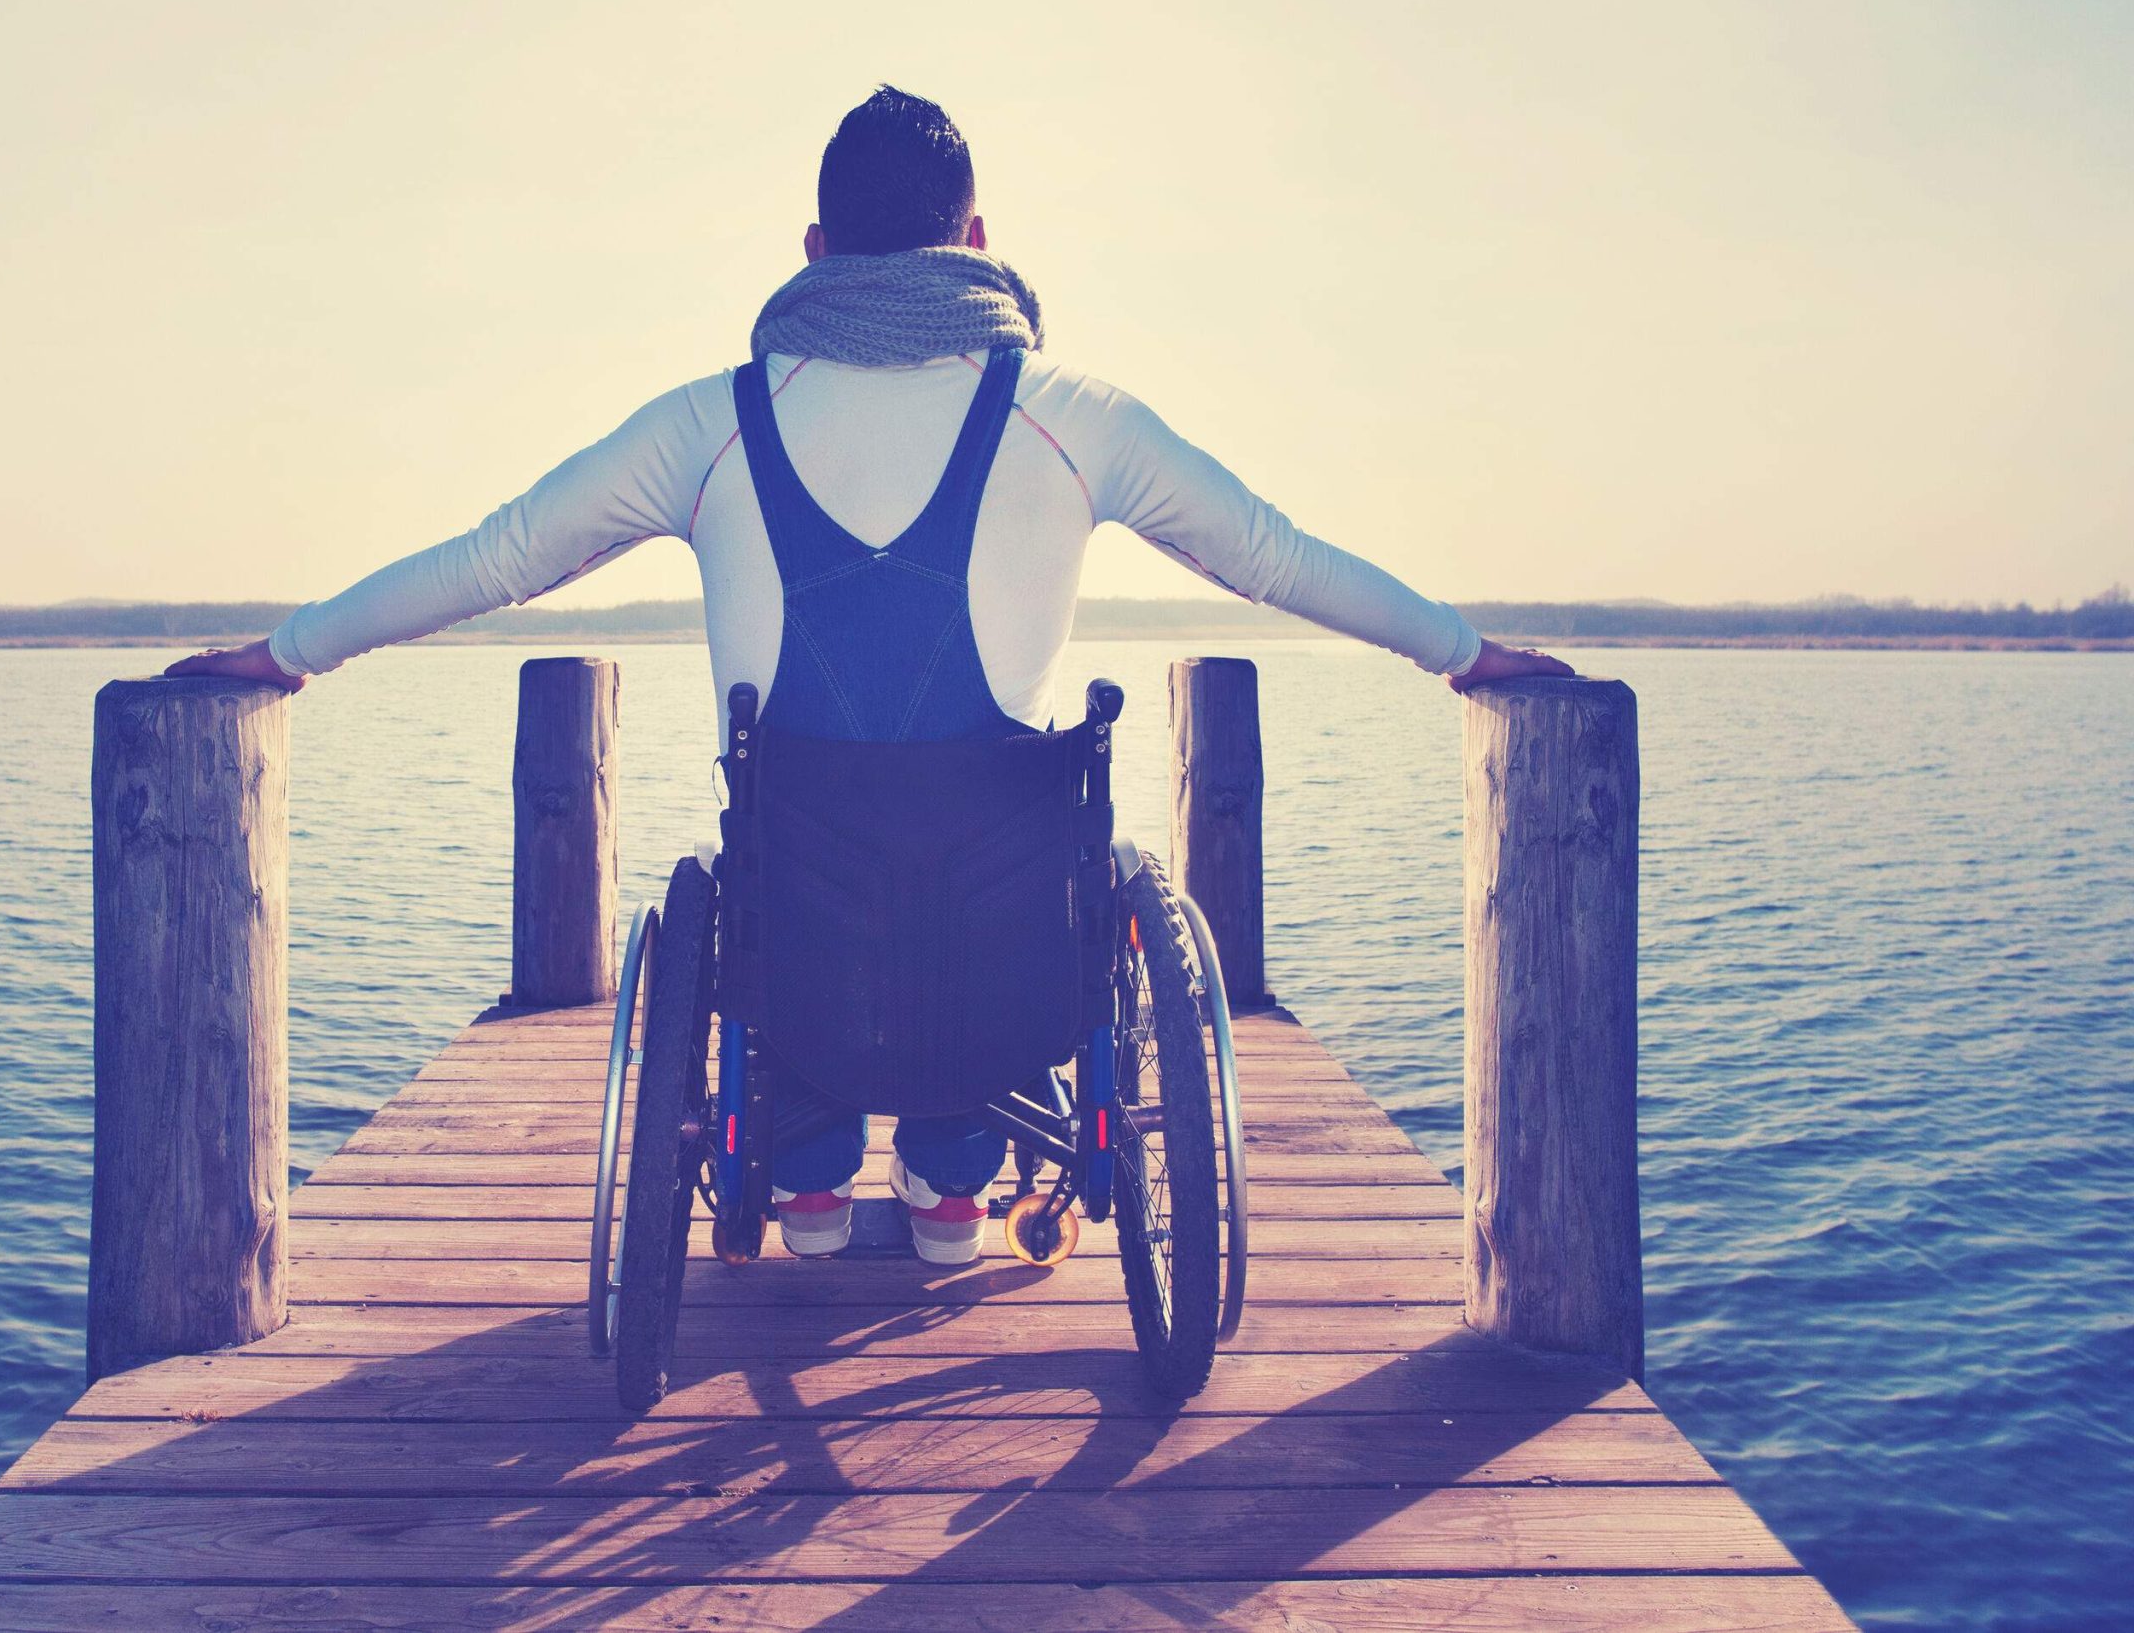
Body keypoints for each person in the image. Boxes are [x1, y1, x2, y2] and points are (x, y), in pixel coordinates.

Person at [171, 85, 1570, 1264]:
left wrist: (289, 653)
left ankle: (808, 1171)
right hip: (1009, 949)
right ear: (976, 239)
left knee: (805, 860)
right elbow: (1275, 555)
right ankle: (961, 1175)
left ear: (815, 246)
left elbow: (499, 557)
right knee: (999, 856)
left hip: (802, 940)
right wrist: (1465, 652)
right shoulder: (1072, 418)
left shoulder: (708, 427)